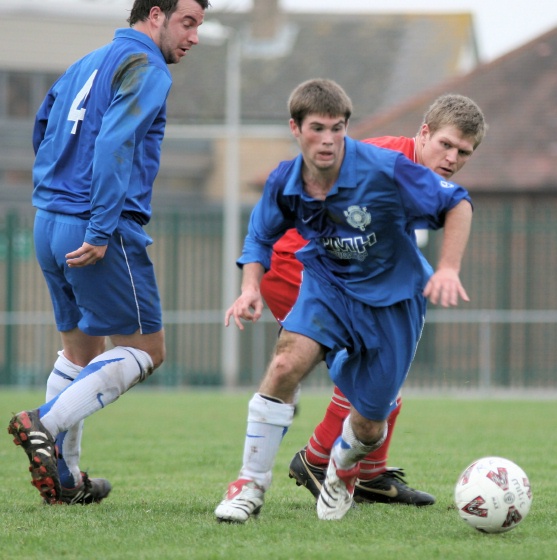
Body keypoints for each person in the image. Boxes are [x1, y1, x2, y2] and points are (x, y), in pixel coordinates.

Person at [215, 78, 474, 523]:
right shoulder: (294, 177)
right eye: (317, 128)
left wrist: (448, 269)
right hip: (318, 277)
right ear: (295, 128)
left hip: (390, 301)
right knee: (286, 364)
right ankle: (250, 484)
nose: (328, 140)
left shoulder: (386, 168)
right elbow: (261, 233)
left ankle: (350, 466)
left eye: (337, 128)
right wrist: (249, 287)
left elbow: (457, 205)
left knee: (374, 414)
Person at [7, 0, 209, 505]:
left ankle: (67, 480)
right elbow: (114, 144)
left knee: (81, 352)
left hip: (49, 219)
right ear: (156, 15)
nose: (195, 36)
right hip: (98, 225)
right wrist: (98, 228)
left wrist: (57, 191)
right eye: (188, 22)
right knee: (146, 350)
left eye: (200, 25)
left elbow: (42, 124)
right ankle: (43, 424)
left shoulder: (86, 62)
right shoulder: (147, 67)